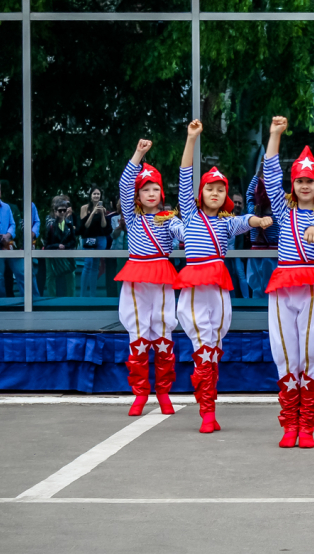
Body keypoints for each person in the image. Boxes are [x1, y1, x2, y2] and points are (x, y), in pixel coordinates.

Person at [175, 120, 272, 434]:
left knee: (214, 347)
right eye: (209, 188)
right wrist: (191, 140)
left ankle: (209, 407)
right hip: (193, 287)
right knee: (203, 346)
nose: (215, 193)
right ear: (200, 193)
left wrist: (259, 220)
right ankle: (206, 411)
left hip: (217, 287)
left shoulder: (227, 222)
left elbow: (246, 220)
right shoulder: (190, 215)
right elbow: (184, 177)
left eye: (220, 189)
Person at [263, 116, 314, 449]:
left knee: (312, 352)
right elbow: (270, 173)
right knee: (284, 353)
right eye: (300, 180)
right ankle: (288, 422)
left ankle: (307, 424)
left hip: (310, 285)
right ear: (293, 184)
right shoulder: (283, 210)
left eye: (310, 180)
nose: (304, 185)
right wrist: (275, 135)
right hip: (282, 285)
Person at [115, 139, 185, 417]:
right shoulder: (132, 218)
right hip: (136, 277)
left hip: (162, 276)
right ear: (138, 195)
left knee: (164, 332)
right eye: (146, 189)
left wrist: (183, 228)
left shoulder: (169, 217)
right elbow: (123, 185)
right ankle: (140, 394)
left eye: (156, 188)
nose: (152, 193)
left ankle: (164, 393)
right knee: (138, 333)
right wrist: (139, 154)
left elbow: (183, 233)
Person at [246, 163, 278, 299]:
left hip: (256, 255)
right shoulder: (278, 213)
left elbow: (248, 194)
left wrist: (258, 174)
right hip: (274, 256)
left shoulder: (253, 212)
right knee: (274, 291)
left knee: (257, 290)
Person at [79, 187, 110, 297]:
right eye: (94, 194)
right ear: (91, 195)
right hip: (88, 237)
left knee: (95, 265)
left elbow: (104, 225)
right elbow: (85, 225)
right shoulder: (84, 208)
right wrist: (92, 213)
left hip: (100, 238)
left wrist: (102, 214)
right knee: (88, 263)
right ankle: (82, 295)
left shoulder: (103, 209)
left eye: (98, 194)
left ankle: (93, 295)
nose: (96, 196)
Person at [44, 198, 76, 297]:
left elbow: (73, 242)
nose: (62, 212)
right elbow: (46, 244)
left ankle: (71, 299)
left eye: (64, 210)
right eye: (60, 210)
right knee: (50, 276)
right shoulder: (50, 226)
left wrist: (65, 246)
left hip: (66, 254)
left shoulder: (69, 225)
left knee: (71, 275)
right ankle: (51, 299)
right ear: (55, 211)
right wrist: (57, 246)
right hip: (52, 255)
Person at [226, 191, 250, 299]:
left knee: (240, 274)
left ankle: (246, 299)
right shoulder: (225, 217)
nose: (237, 205)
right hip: (226, 252)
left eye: (239, 203)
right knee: (230, 276)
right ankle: (233, 298)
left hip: (237, 253)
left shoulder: (245, 219)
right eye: (235, 202)